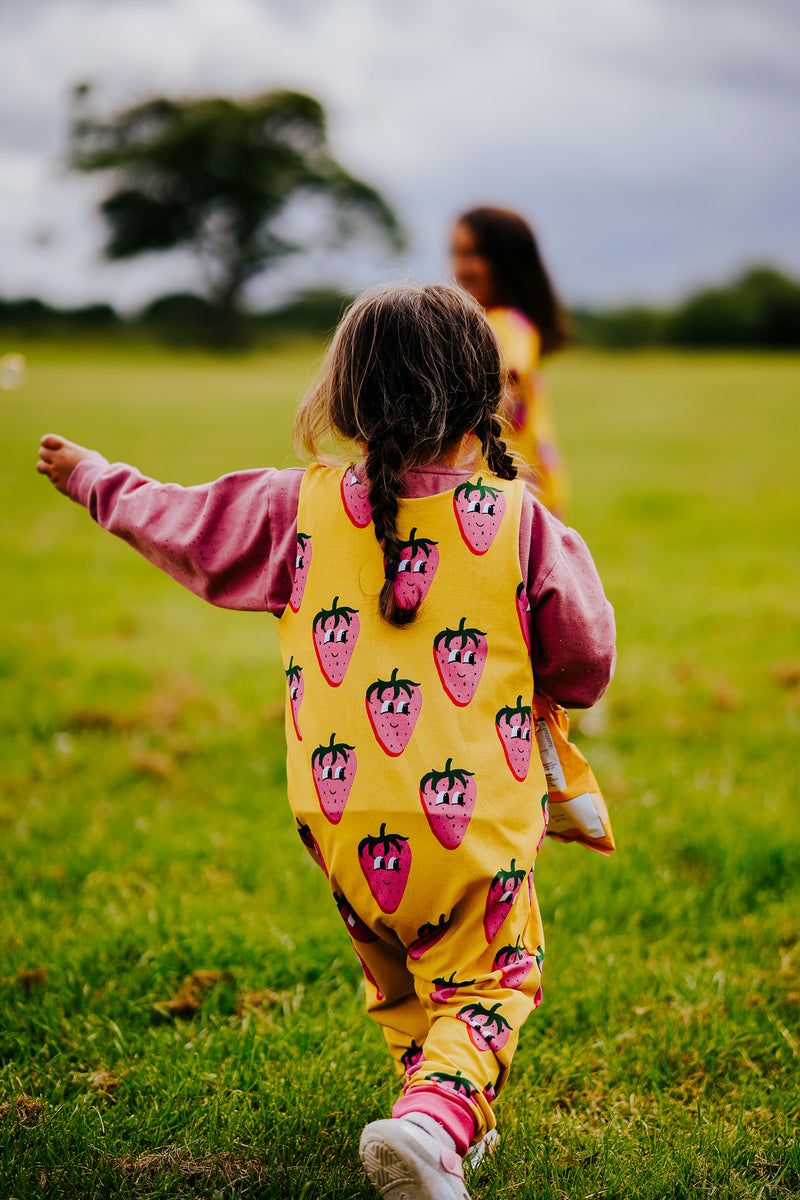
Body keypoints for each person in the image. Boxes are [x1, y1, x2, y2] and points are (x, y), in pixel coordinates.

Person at [37, 284, 615, 1200]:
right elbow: (587, 660)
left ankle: (435, 1110)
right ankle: (433, 1126)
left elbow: (178, 522)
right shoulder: (522, 522)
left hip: (341, 821)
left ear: (345, 398)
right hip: (471, 820)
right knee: (494, 979)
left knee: (402, 982)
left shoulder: (291, 509)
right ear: (481, 400)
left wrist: (91, 476)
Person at [451, 206, 569, 520]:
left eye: (474, 253)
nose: (461, 267)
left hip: (517, 487)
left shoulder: (505, 324)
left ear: (508, 262)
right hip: (521, 482)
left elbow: (502, 381)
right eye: (457, 254)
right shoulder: (499, 322)